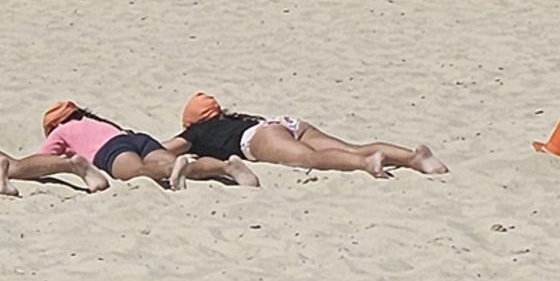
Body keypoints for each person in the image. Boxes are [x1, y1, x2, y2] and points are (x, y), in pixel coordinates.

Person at [176, 92, 447, 178]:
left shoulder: (195, 132)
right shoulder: (236, 117)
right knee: (351, 146)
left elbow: (167, 148)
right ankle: (413, 158)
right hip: (284, 123)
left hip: (258, 138)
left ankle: (366, 164)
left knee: (310, 159)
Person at [32, 99, 254, 190]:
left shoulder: (61, 131)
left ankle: (171, 171)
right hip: (137, 138)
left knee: (137, 171)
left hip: (110, 149)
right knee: (177, 163)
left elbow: (44, 159)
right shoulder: (97, 122)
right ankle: (226, 167)